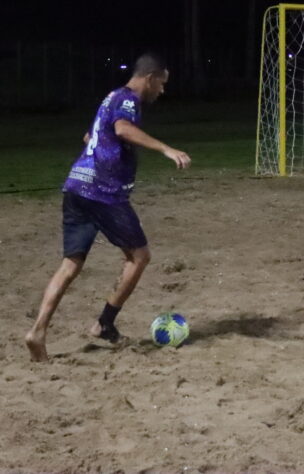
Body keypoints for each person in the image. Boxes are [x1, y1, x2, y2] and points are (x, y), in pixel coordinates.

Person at [25, 53, 191, 362]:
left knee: (70, 264)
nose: (162, 91)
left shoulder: (110, 97)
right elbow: (122, 129)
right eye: (162, 84)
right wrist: (166, 148)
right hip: (103, 193)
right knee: (139, 256)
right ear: (150, 78)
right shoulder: (128, 100)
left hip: (76, 185)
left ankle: (37, 331)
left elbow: (90, 135)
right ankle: (104, 323)